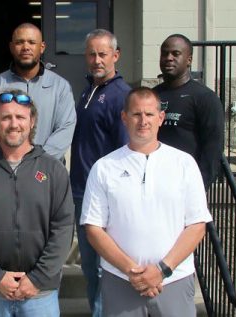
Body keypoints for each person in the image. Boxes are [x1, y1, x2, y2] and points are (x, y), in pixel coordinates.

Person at [81, 87, 212, 316]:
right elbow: (93, 228)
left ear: (160, 118)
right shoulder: (104, 168)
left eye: (150, 114)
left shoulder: (184, 164)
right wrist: (132, 271)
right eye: (136, 114)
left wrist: (161, 270)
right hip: (120, 281)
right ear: (124, 117)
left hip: (174, 280)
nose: (143, 121)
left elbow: (197, 225)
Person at [0, 90, 74, 316]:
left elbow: (63, 229)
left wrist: (37, 278)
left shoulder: (53, 170)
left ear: (32, 121)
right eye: (6, 117)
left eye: (20, 117)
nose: (13, 124)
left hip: (40, 294)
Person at [70, 28, 130, 317]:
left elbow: (125, 151)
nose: (96, 60)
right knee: (90, 267)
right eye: (91, 54)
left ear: (115, 56)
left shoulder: (121, 96)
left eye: (102, 54)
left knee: (105, 269)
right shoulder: (88, 90)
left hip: (106, 197)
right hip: (83, 192)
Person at [0, 23, 76, 161]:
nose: (26, 47)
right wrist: (9, 161)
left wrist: (37, 162)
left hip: (47, 169)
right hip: (6, 169)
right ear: (12, 47)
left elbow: (65, 128)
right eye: (19, 42)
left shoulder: (60, 86)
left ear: (42, 47)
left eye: (31, 42)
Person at [154, 34, 224, 189]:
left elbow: (212, 150)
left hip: (185, 186)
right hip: (154, 183)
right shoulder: (153, 96)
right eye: (164, 53)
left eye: (175, 53)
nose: (169, 58)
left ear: (189, 60)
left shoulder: (204, 98)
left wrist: (198, 188)